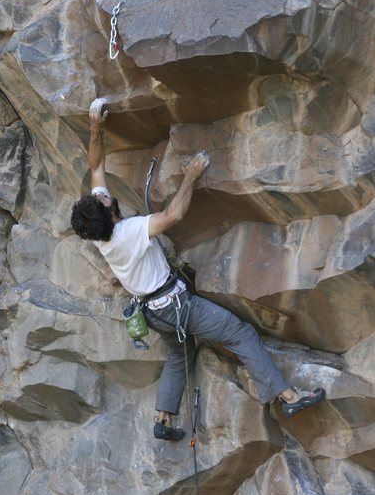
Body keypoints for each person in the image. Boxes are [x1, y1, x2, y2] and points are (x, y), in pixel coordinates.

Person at [71, 98, 326, 441]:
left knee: (181, 352)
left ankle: (163, 420)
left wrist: (95, 127)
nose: (103, 194)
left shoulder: (102, 234)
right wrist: (190, 176)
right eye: (102, 199)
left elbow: (96, 166)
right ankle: (288, 396)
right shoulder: (128, 232)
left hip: (153, 312)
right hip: (177, 307)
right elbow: (173, 215)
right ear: (110, 214)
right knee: (240, 333)